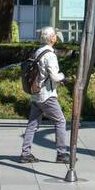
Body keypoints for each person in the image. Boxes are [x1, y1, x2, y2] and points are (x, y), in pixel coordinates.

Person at [20, 27, 71, 165]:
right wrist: (64, 77)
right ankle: (61, 154)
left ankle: (25, 154)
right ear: (52, 38)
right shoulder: (50, 55)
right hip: (47, 95)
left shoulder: (38, 51)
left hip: (36, 94)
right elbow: (54, 76)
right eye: (55, 35)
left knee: (32, 124)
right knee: (60, 121)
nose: (56, 37)